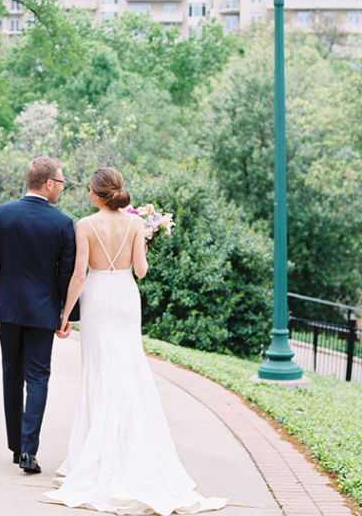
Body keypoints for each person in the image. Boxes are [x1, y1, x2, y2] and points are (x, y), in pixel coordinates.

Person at [40, 167, 227, 515]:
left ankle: (89, 454)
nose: (88, 194)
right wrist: (142, 240)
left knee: (98, 372)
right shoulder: (135, 224)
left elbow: (79, 275)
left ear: (97, 194)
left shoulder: (84, 225)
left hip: (97, 298)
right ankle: (130, 447)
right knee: (127, 366)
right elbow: (141, 271)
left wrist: (66, 315)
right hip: (126, 297)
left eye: (90, 190)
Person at [0, 156, 80, 475]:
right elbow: (66, 274)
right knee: (37, 376)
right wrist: (68, 314)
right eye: (61, 183)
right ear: (48, 183)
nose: (61, 188)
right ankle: (28, 450)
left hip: (7, 308)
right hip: (43, 311)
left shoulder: (0, 214)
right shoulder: (62, 223)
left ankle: (15, 445)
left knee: (11, 373)